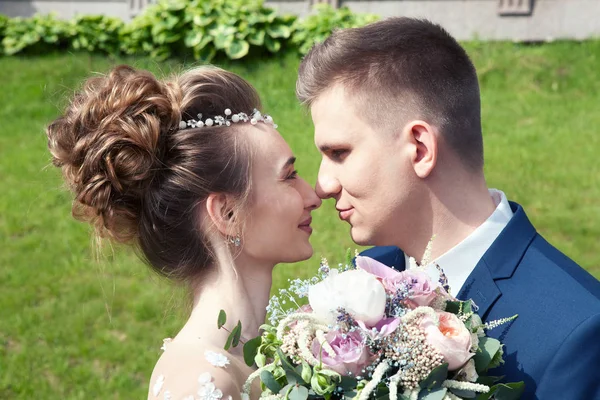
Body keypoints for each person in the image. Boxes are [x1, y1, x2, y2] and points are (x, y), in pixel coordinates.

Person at [296, 17, 600, 399]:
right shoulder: (363, 283)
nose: (323, 185)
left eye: (339, 153)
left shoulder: (579, 332)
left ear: (420, 149)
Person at [46, 65, 321, 399]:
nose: (314, 196)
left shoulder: (271, 355)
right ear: (227, 213)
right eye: (289, 176)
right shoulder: (201, 384)